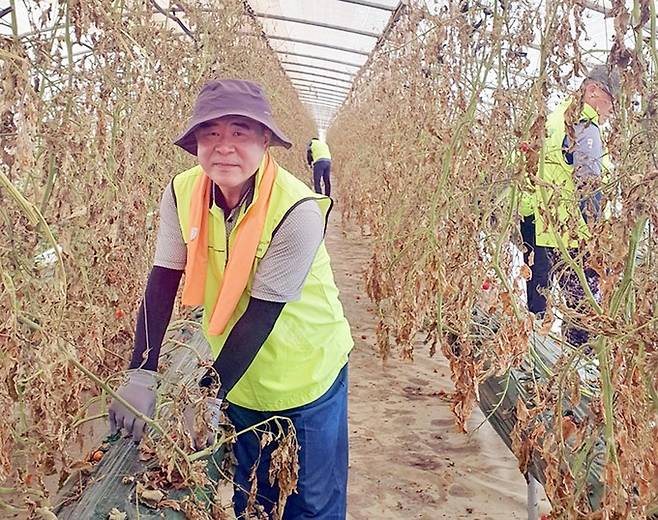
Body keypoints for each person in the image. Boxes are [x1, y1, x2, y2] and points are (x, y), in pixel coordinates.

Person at [108, 79, 353, 518]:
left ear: (265, 141)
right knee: (253, 500)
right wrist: (141, 372)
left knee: (310, 505)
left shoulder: (298, 210)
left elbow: (262, 314)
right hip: (239, 377)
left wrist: (205, 396)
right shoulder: (181, 192)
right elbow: (163, 279)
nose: (224, 147)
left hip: (306, 375)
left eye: (239, 132)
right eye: (211, 133)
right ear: (196, 142)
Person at [520, 64, 619, 347]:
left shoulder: (555, 118)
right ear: (592, 91)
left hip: (544, 226)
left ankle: (535, 355)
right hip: (575, 235)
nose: (611, 110)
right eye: (611, 101)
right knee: (584, 311)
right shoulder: (585, 128)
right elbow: (589, 187)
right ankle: (579, 367)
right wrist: (598, 237)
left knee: (540, 299)